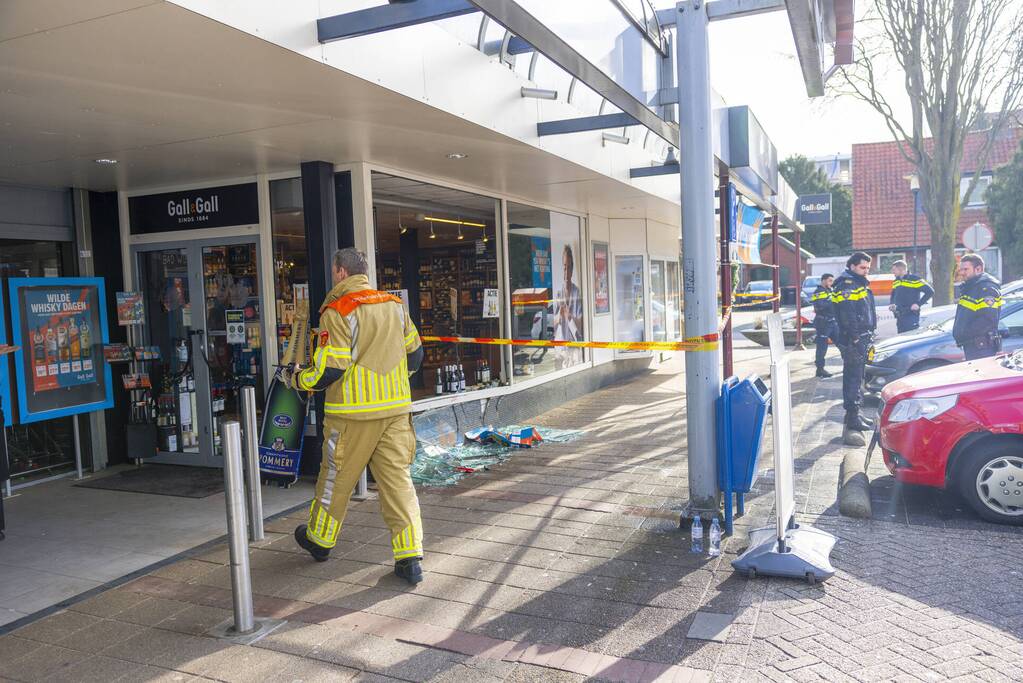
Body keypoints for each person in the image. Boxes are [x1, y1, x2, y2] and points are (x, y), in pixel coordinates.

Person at [282, 248, 426, 584]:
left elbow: (330, 369)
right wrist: (394, 386)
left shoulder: (338, 310)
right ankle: (409, 557)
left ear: (340, 272)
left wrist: (297, 378)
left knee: (335, 482)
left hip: (352, 416)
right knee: (397, 483)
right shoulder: (394, 305)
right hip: (395, 413)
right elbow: (416, 355)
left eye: (333, 270)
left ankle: (320, 540)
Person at [831, 253, 876, 432]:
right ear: (852, 266)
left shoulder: (857, 282)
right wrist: (856, 337)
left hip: (860, 337)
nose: (865, 271)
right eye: (862, 268)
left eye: (867, 268)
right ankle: (852, 417)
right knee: (853, 378)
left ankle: (854, 415)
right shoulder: (847, 284)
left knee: (857, 378)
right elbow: (847, 315)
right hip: (853, 339)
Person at [953, 253, 1003, 360]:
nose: (962, 273)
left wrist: (964, 333)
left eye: (965, 269)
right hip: (974, 345)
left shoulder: (986, 289)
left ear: (978, 269)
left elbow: (987, 320)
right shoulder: (972, 287)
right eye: (961, 269)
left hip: (981, 347)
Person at [889, 260, 933, 333]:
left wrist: (918, 304)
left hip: (911, 316)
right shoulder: (896, 281)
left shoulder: (915, 279)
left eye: (894, 270)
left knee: (911, 339)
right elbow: (893, 294)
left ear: (901, 269)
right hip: (900, 317)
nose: (892, 272)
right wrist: (892, 303)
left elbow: (930, 292)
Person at [810, 273, 837, 378]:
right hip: (823, 323)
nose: (831, 283)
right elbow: (819, 306)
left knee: (842, 343)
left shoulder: (829, 291)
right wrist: (832, 301)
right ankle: (820, 369)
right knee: (822, 347)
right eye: (830, 280)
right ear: (823, 280)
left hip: (833, 322)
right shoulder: (819, 292)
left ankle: (849, 366)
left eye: (832, 281)